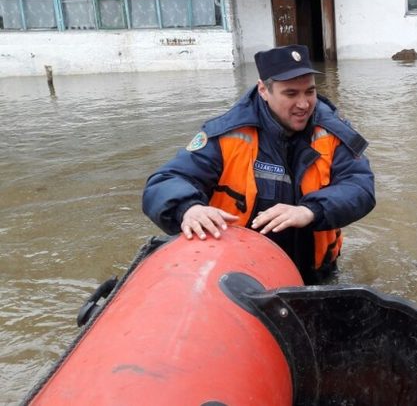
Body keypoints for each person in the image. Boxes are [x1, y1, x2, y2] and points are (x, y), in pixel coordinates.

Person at [142, 45, 375, 284]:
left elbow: (360, 187)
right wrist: (188, 209)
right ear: (263, 90)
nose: (304, 104)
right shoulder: (226, 135)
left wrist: (309, 210)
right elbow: (165, 181)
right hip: (240, 275)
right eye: (291, 94)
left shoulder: (334, 131)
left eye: (310, 92)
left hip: (315, 273)